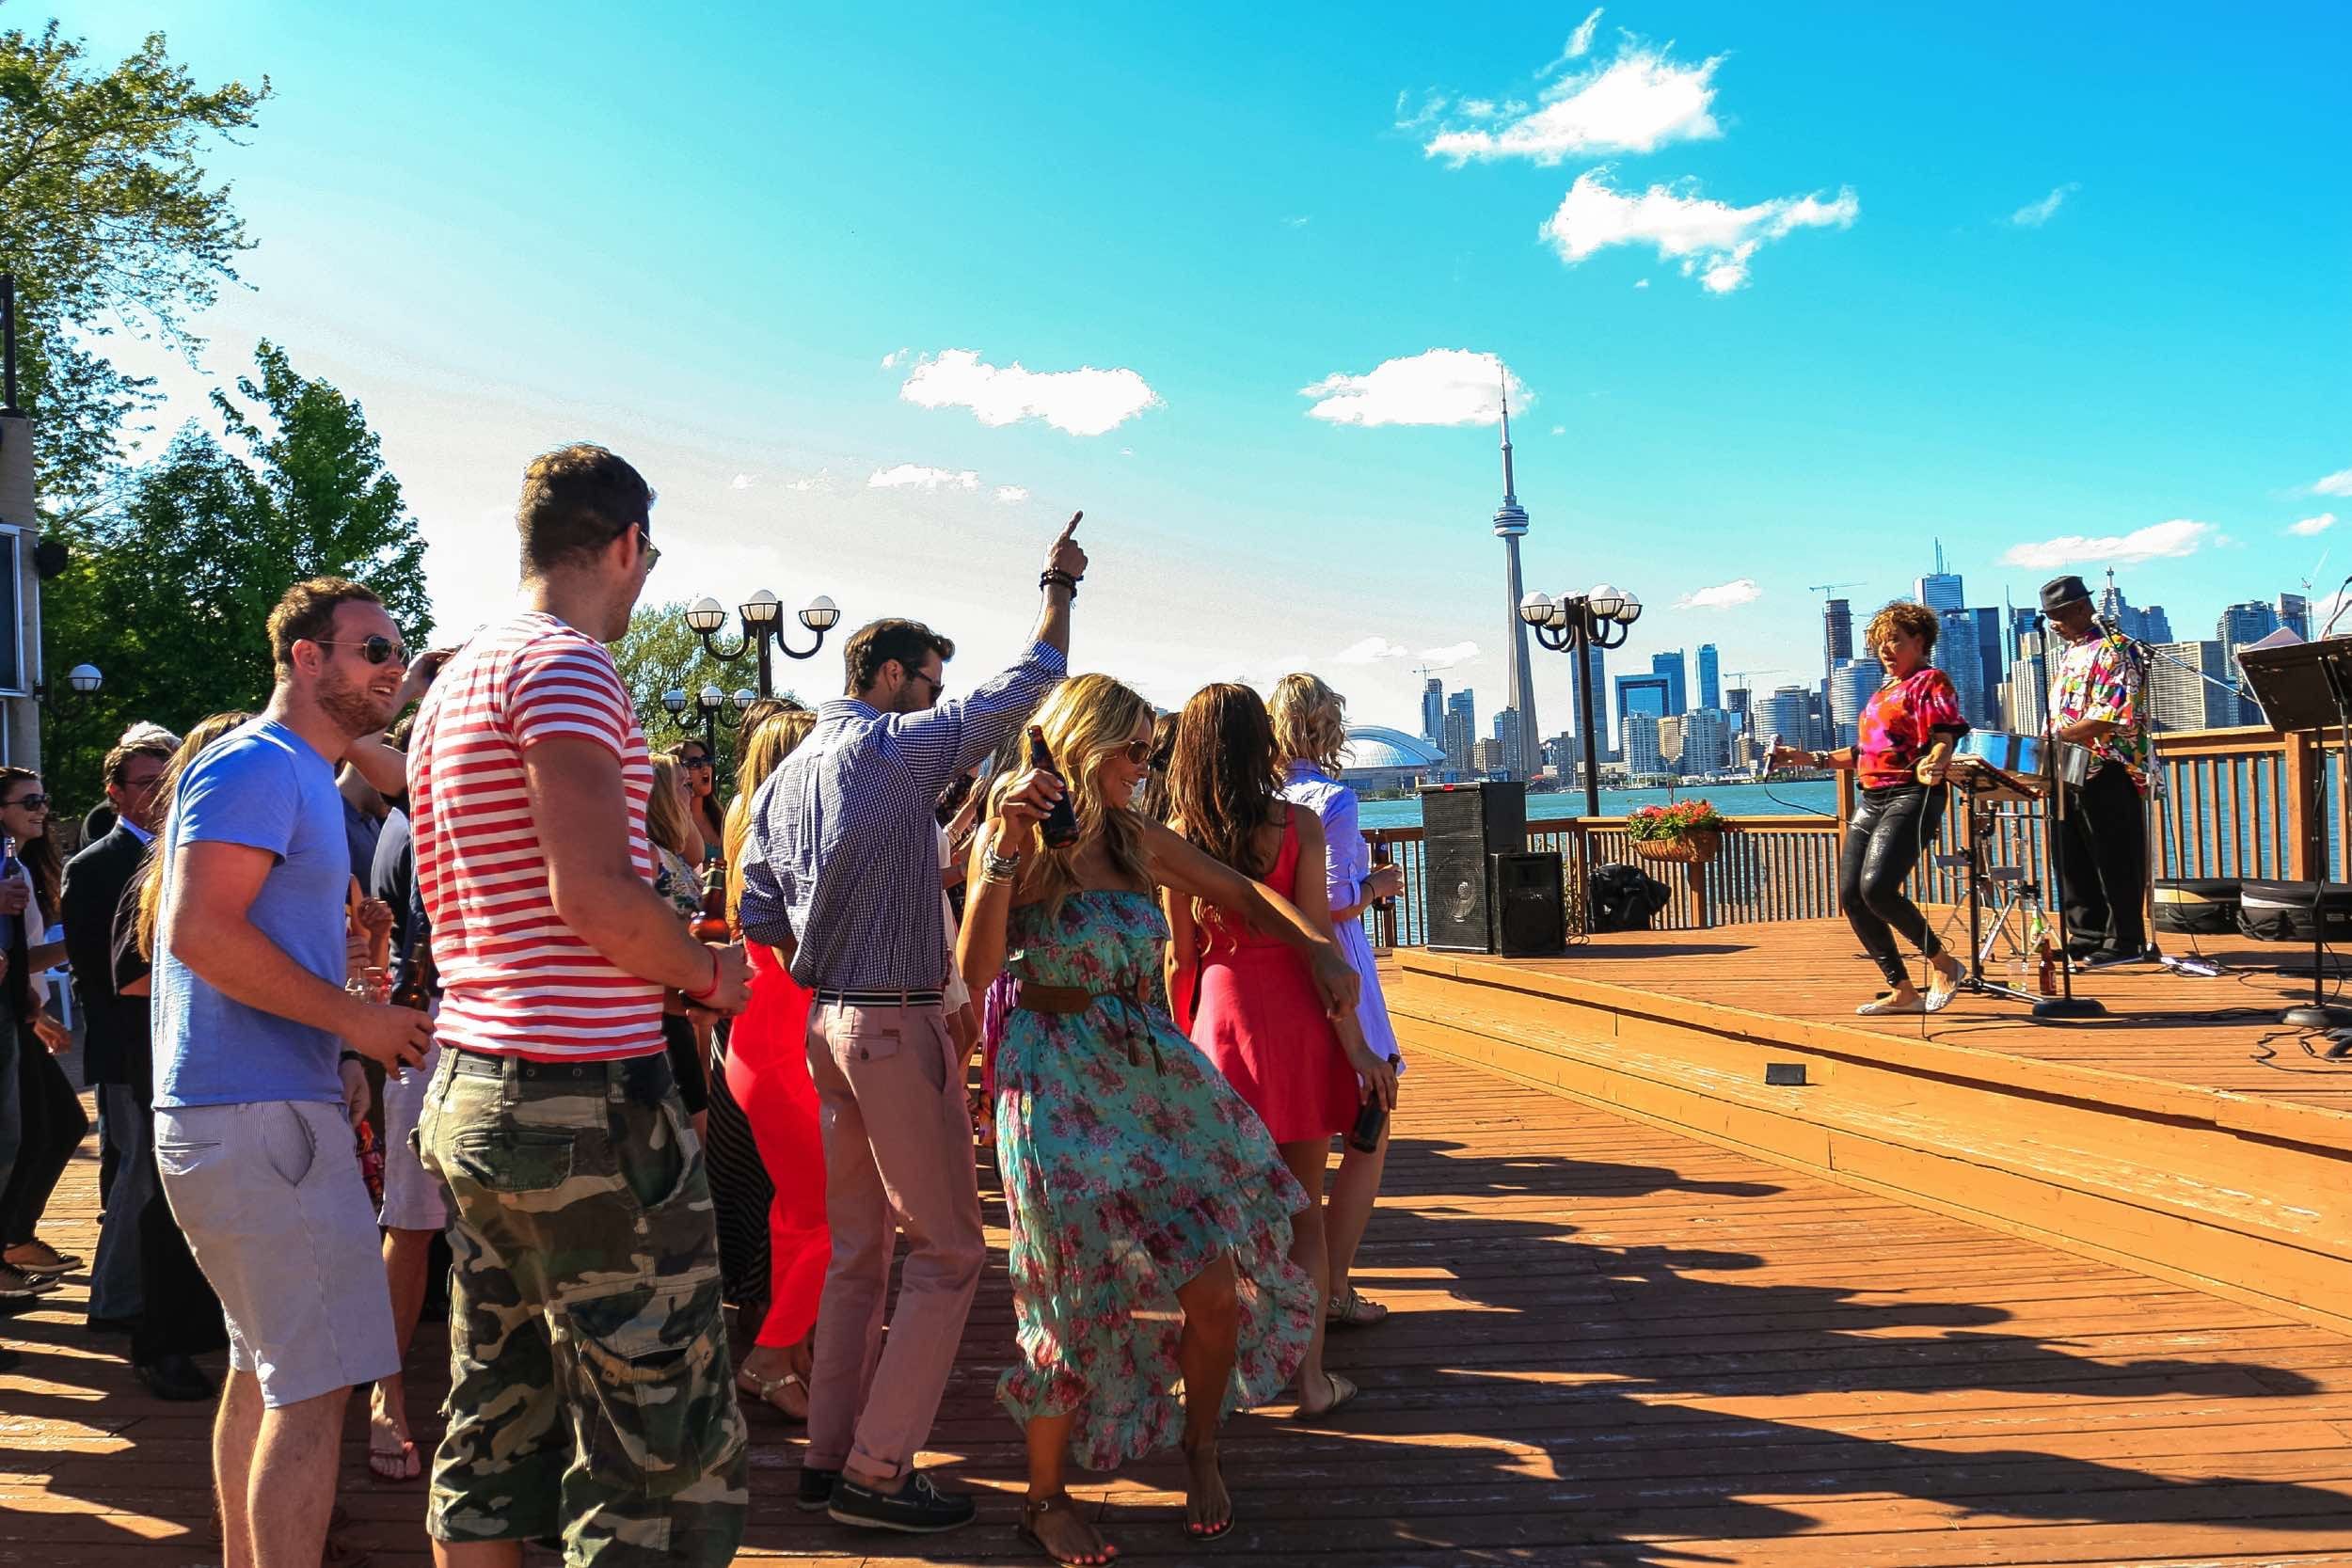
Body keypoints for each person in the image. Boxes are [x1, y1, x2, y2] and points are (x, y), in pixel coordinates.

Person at [408, 443, 753, 1568]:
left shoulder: (458, 677)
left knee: (496, 1415)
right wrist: (707, 974)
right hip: (583, 1099)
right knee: (656, 1450)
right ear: (625, 544)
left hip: (476, 1084)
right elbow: (595, 893)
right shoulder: (567, 667)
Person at [737, 515, 1101, 1533]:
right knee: (948, 1252)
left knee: (859, 1252)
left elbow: (760, 911)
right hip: (894, 1025)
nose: (940, 701)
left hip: (826, 1025)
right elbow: (1029, 681)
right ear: (891, 675)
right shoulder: (892, 749)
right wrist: (1058, 585)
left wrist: (848, 920)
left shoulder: (783, 776)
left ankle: (829, 1459)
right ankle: (879, 1468)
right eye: (931, 683)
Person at [960, 673, 1361, 1562]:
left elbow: (1243, 893)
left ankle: (1201, 1446)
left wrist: (1318, 949)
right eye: (1134, 750)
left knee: (1213, 1292)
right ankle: (1044, 1498)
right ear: (1085, 744)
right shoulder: (1019, 840)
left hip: (1149, 1079)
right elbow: (976, 970)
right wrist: (1002, 851)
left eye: (1151, 750)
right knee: (1061, 1295)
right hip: (1052, 1082)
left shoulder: (1136, 838)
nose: (1146, 766)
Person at [149, 579, 435, 1568]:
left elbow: (245, 938)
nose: (392, 666)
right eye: (372, 648)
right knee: (315, 1384)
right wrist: (363, 1021)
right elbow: (198, 931)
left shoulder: (297, 770)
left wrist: (344, 1025)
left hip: (254, 1109)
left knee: (266, 1370)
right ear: (306, 658)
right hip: (256, 1117)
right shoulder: (261, 762)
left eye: (397, 649)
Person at [1164, 683, 1395, 1428]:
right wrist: (1357, 1046)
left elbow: (1181, 957)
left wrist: (1177, 1040)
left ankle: (1216, 1374)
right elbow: (1317, 937)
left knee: (1216, 1215)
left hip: (1221, 1023)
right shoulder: (1298, 823)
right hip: (1297, 1020)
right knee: (1302, 1214)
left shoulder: (1179, 833)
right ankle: (1312, 1380)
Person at [1269, 673, 1407, 1332]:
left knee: (1299, 1134)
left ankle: (1288, 1283)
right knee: (1369, 1123)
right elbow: (1328, 900)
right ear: (1329, 728)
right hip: (1338, 966)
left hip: (1278, 969)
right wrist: (1378, 884)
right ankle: (1334, 1284)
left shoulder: (1259, 799)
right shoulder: (1332, 800)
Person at [1772, 600, 1968, 1014]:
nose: (1886, 650)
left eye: (1895, 640)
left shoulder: (1931, 682)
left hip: (1911, 794)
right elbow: (1866, 752)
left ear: (1920, 641)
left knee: (1877, 888)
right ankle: (1902, 989)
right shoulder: (1882, 693)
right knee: (1852, 895)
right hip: (1872, 797)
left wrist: (1936, 759)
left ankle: (1944, 963)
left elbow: (1944, 736)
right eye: (1880, 643)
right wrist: (1804, 759)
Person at [719, 708, 825, 1421]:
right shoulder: (788, 839)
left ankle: (794, 1350)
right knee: (832, 1214)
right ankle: (769, 1357)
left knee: (797, 1213)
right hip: (782, 1043)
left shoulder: (745, 827)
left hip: (759, 1039)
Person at [67, 731, 177, 1338]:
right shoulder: (94, 866)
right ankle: (114, 1301)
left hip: (169, 1043)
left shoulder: (177, 852)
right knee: (137, 1175)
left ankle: (154, 1294)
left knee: (157, 1175)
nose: (161, 795)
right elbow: (94, 977)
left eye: (169, 781)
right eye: (147, 783)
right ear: (114, 792)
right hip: (129, 1050)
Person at [0, 767, 87, 1287]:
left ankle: (15, 1239)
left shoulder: (21, 864)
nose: (42, 810)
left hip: (18, 1013)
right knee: (32, 1132)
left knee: (54, 1125)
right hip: (10, 1016)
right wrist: (85, 942)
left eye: (43, 799)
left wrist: (38, 1013)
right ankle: (11, 1241)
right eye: (29, 802)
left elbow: (17, 959)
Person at [2040, 573, 2154, 967]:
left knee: (2114, 856)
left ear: (2080, 608)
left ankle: (2125, 940)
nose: (2053, 625)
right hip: (2067, 767)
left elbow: (2111, 714)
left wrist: (2055, 739)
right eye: (2049, 617)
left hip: (2108, 766)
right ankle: (2086, 935)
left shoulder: (2116, 648)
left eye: (2058, 616)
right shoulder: (2072, 652)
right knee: (2071, 857)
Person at [647, 752, 713, 1137]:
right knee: (690, 1145)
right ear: (661, 797)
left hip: (683, 1014)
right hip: (665, 1019)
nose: (691, 794)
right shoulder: (653, 857)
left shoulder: (672, 856)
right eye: (683, 786)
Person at [674, 737, 726, 863]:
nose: (705, 768)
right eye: (694, 763)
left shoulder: (721, 817)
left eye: (707, 760)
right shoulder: (673, 823)